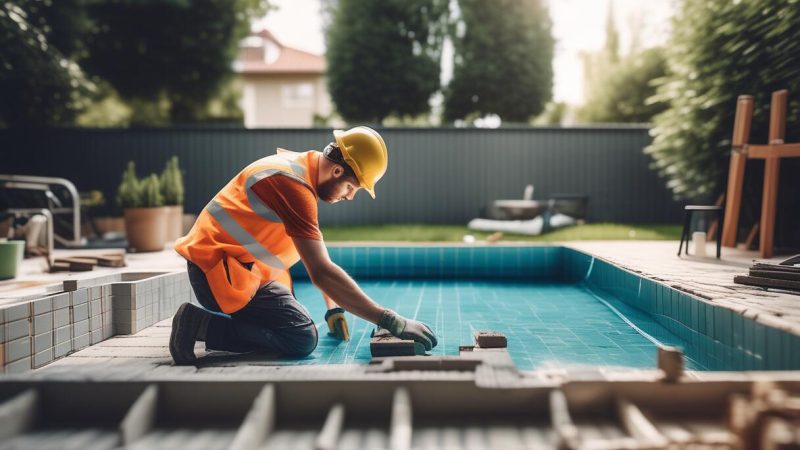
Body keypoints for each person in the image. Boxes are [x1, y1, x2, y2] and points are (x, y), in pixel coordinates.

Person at [170, 126, 438, 364]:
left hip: (242, 271)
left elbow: (315, 253)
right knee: (301, 338)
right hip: (216, 275)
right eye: (350, 188)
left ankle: (231, 324)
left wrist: (333, 307)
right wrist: (390, 320)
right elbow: (321, 271)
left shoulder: (300, 169)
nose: (349, 197)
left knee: (292, 322)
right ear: (336, 171)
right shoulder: (294, 189)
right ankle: (200, 325)